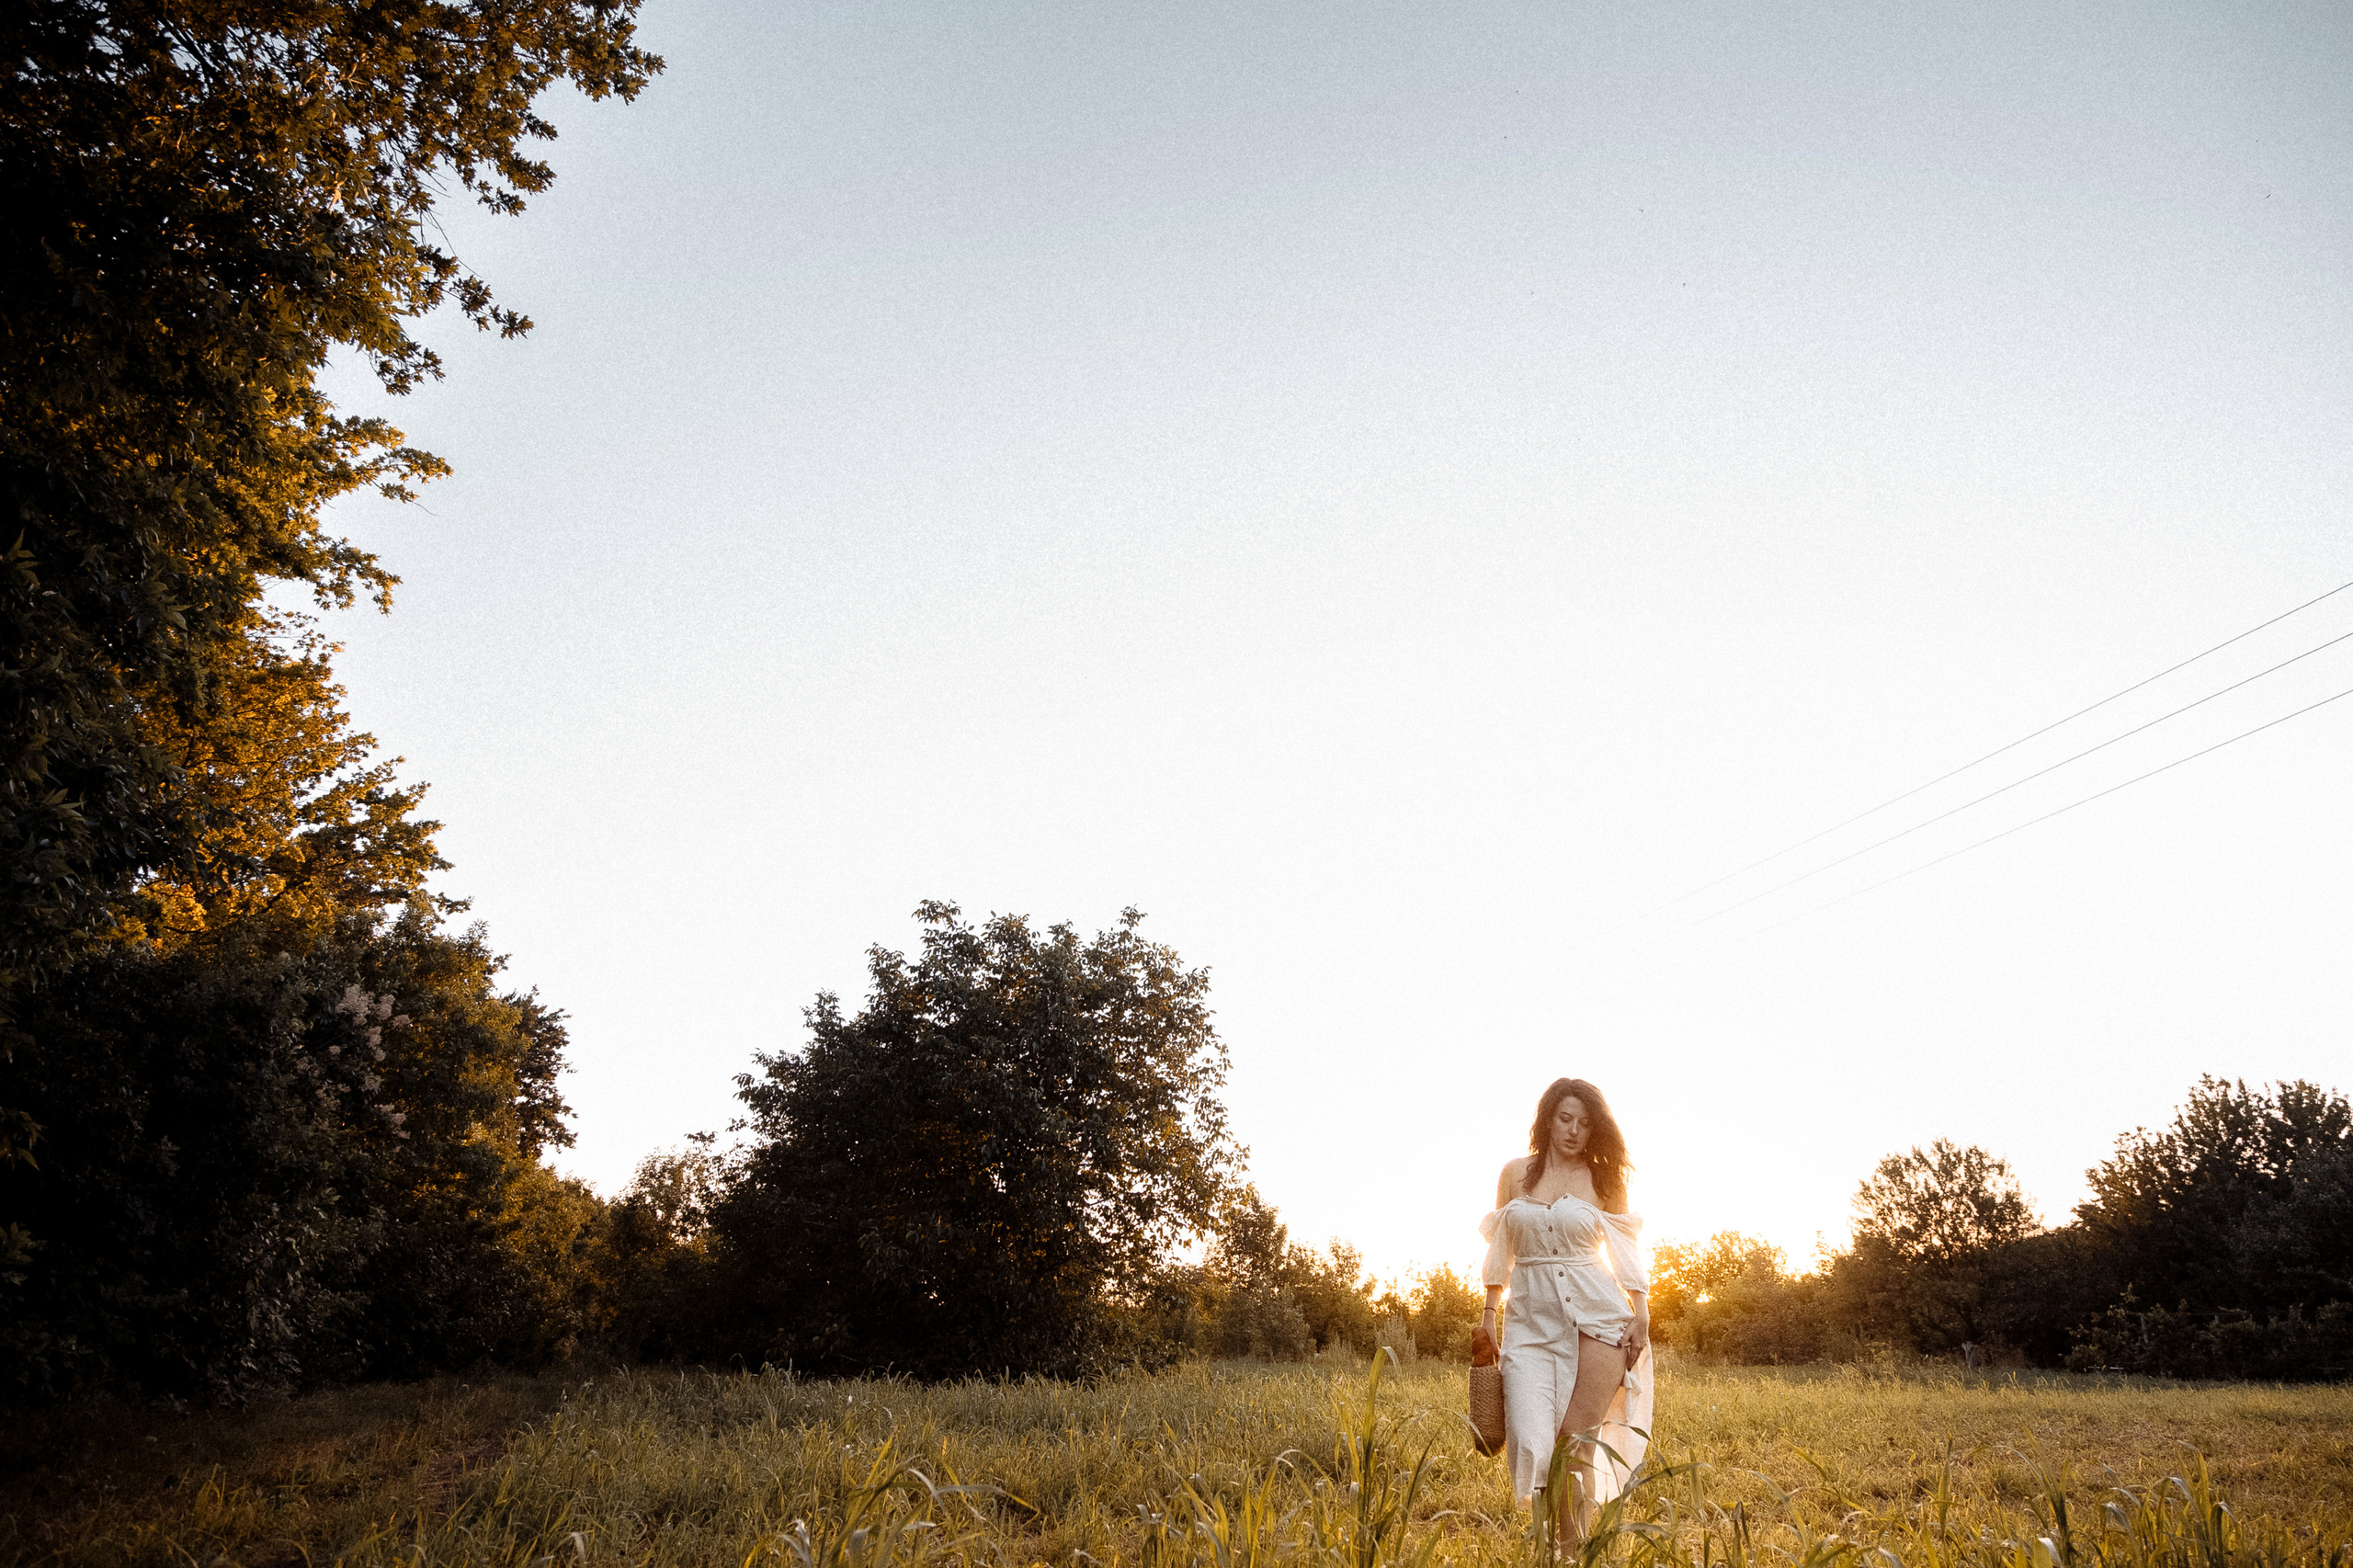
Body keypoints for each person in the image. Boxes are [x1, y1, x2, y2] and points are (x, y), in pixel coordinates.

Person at [1478, 1076, 1654, 1543]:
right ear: (1547, 1120)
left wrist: (1641, 1312)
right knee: (1535, 1439)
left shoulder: (1603, 1179)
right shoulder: (1516, 1174)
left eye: (1584, 1122)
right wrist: (1488, 1314)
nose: (1574, 1130)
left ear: (1595, 1129)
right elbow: (1501, 1250)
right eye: (1565, 1118)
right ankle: (1547, 1544)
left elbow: (1625, 1249)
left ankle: (1570, 1553)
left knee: (1576, 1443)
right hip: (1530, 1324)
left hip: (1598, 1319)